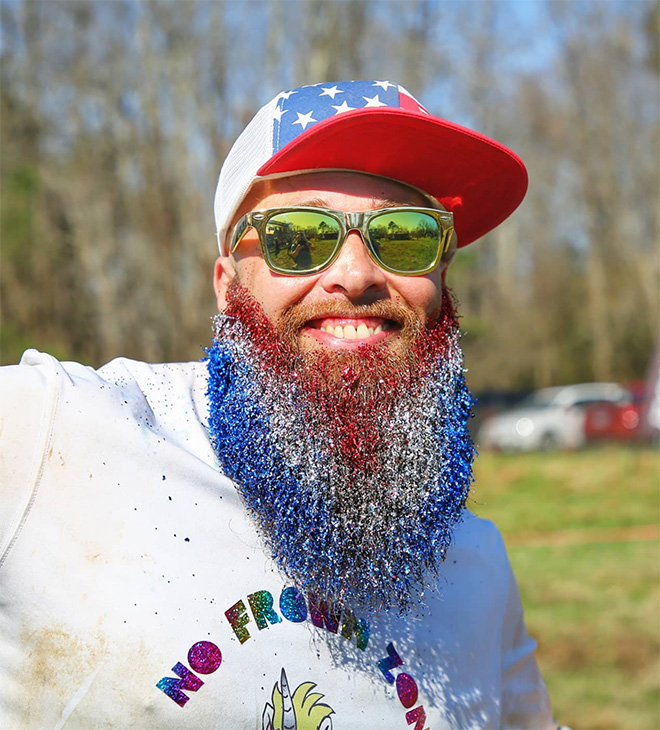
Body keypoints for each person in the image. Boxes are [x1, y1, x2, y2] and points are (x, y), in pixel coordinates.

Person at [0, 80, 558, 729]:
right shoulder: (55, 433)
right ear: (227, 281)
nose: (356, 275)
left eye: (404, 235)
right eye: (300, 236)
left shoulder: (476, 563)